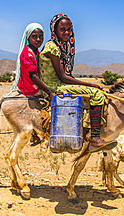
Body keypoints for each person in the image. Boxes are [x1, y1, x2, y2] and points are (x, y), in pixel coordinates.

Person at [39, 14, 117, 153]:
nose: (67, 32)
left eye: (69, 29)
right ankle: (94, 137)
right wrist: (90, 85)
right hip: (53, 85)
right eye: (63, 29)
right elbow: (63, 77)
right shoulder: (52, 48)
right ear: (54, 30)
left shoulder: (61, 45)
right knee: (96, 94)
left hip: (58, 82)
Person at [10, 23, 57, 145]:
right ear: (28, 37)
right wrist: (49, 92)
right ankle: (46, 131)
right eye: (34, 36)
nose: (38, 39)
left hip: (33, 85)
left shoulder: (35, 51)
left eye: (41, 36)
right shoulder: (27, 53)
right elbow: (33, 76)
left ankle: (38, 132)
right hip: (30, 87)